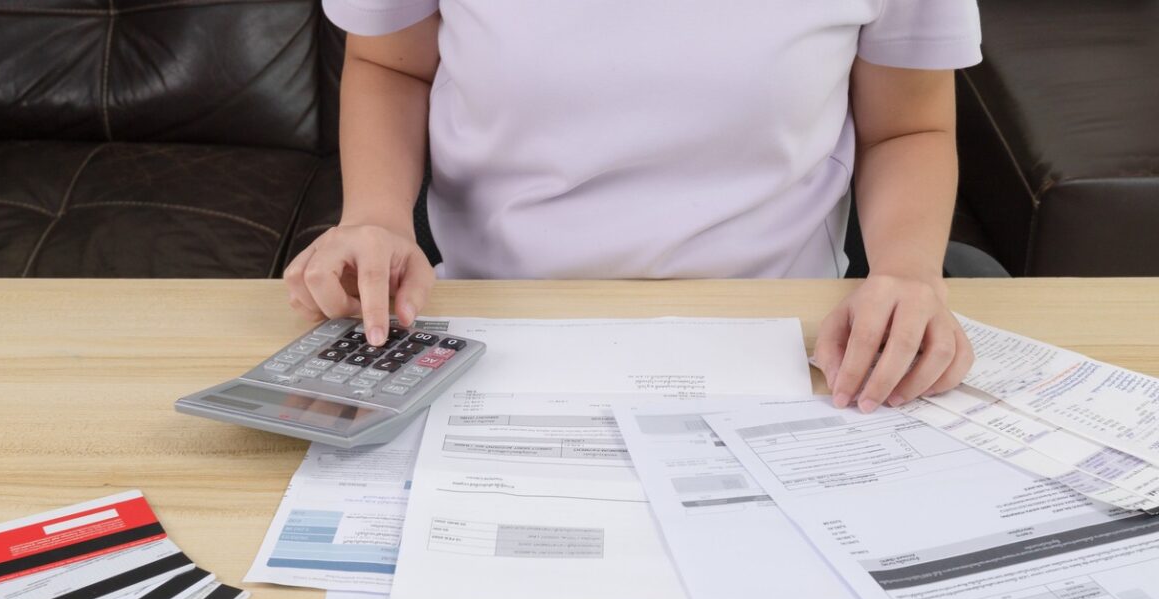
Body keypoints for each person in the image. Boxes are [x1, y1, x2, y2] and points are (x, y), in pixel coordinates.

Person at [284, 1, 981, 412]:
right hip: (496, 325)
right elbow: (391, 64)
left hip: (788, 348)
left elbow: (908, 127)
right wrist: (375, 216)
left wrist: (911, 271)